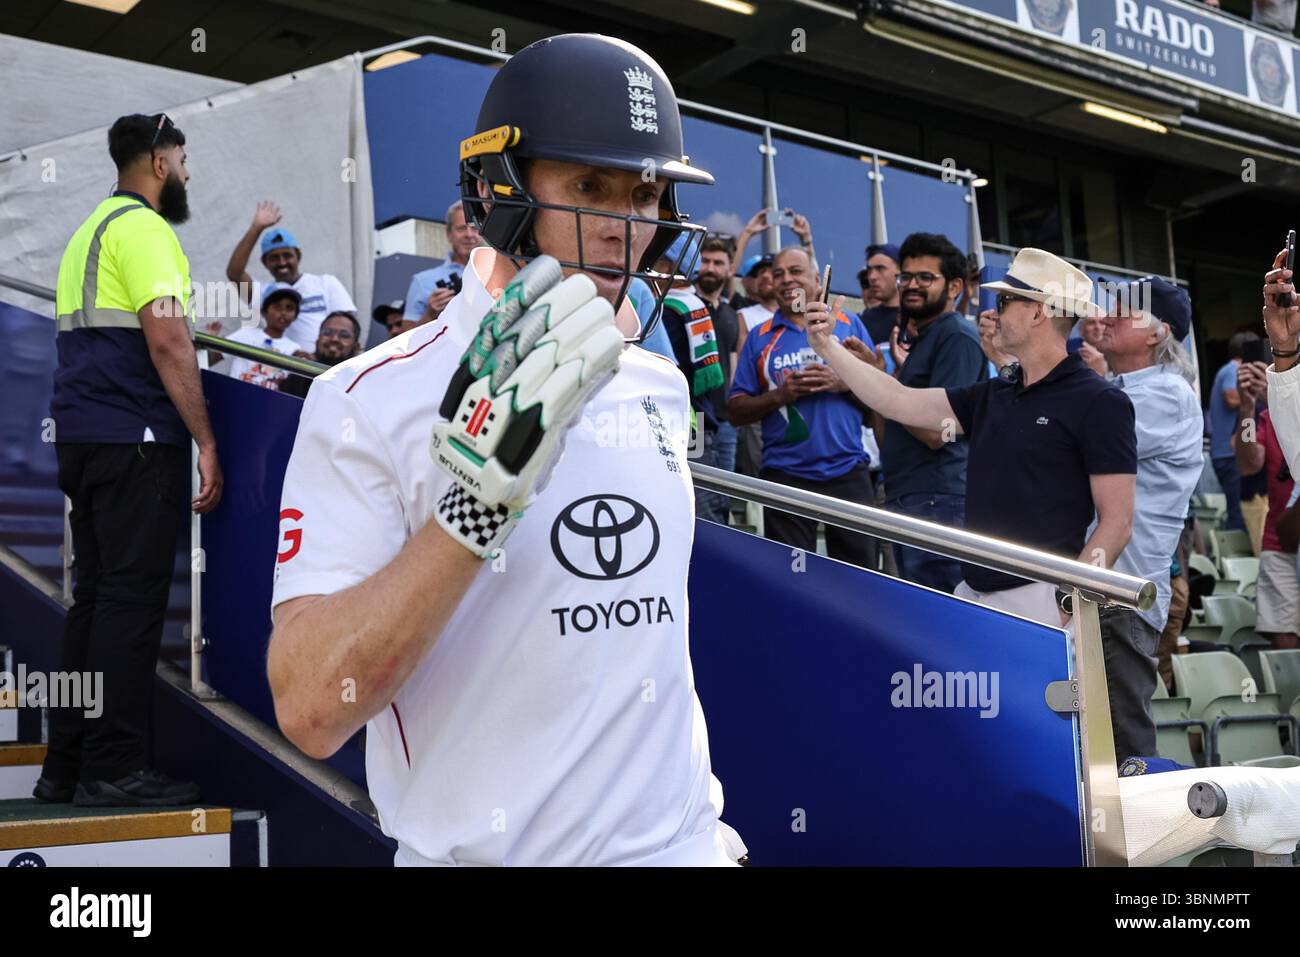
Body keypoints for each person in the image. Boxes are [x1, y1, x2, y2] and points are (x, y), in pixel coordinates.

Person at [266, 33, 742, 867]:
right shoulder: (367, 397)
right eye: (590, 185)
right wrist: (468, 512)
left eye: (645, 193)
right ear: (499, 192)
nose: (625, 229)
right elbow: (310, 706)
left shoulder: (656, 385)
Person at [37, 112, 223, 808]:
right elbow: (170, 340)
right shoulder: (146, 230)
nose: (187, 170)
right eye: (182, 156)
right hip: (136, 437)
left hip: (84, 438)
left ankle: (66, 763)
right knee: (128, 603)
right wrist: (205, 438)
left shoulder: (88, 230)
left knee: (91, 600)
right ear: (156, 160)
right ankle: (113, 766)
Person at [805, 247, 1136, 630]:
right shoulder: (995, 393)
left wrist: (1069, 600)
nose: (992, 310)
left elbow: (1117, 522)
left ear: (1039, 311)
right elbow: (897, 401)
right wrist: (826, 346)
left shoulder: (1099, 401)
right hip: (975, 593)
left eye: (1007, 299)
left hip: (1041, 599)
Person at [1093, 277, 1203, 760]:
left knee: (1122, 746)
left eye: (1126, 311)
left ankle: (1141, 836)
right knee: (1099, 740)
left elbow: (1078, 441)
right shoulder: (1119, 389)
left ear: (1160, 333)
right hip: (1101, 585)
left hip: (1121, 592)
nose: (1109, 316)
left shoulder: (1165, 394)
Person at [727, 246, 880, 568]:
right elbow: (736, 411)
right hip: (786, 475)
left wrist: (844, 382)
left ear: (815, 278)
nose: (785, 279)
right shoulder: (760, 336)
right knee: (792, 580)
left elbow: (880, 399)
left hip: (848, 471)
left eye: (795, 271)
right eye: (778, 273)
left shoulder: (849, 324)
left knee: (861, 579)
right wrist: (780, 396)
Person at [879, 233, 988, 594]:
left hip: (937, 500)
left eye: (925, 278)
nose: (912, 286)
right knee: (920, 615)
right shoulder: (929, 337)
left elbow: (937, 430)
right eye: (906, 277)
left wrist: (881, 386)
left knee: (939, 619)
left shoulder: (957, 335)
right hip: (912, 494)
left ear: (955, 286)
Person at [225, 201, 357, 352]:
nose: (282, 262)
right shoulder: (264, 292)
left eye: (287, 255)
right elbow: (234, 273)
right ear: (265, 262)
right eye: (274, 258)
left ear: (298, 256)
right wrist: (256, 228)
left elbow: (348, 325)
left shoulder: (326, 283)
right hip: (284, 369)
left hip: (325, 365)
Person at [1235, 360, 1299, 650]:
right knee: (1283, 630)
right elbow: (1249, 465)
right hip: (1280, 540)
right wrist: (1247, 407)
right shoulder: (1266, 414)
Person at [693, 235, 741, 478]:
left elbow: (732, 365)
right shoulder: (685, 306)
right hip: (695, 420)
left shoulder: (731, 314)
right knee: (698, 491)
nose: (710, 268)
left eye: (718, 262)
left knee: (725, 495)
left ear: (730, 269)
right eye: (705, 261)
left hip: (726, 422)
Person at [206, 283, 303, 389]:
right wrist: (209, 343)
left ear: (295, 315)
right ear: (264, 312)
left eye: (289, 308)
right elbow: (210, 360)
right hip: (236, 395)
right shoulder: (245, 335)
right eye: (277, 306)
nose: (283, 312)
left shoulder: (294, 349)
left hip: (269, 402)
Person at [401, 201, 482, 327]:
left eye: (474, 228)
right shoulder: (422, 281)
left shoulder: (499, 274)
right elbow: (406, 337)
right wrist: (430, 314)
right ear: (449, 235)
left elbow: (505, 314)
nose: (469, 235)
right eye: (461, 228)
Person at [1209, 332, 1255, 532]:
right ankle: (1238, 558)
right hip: (1229, 454)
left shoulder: (1227, 370)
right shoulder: (1234, 370)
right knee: (1238, 511)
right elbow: (1231, 397)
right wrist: (1256, 399)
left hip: (1224, 453)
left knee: (1237, 508)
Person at [277, 311, 363, 399]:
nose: (334, 339)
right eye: (327, 332)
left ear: (356, 346)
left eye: (344, 335)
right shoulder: (299, 374)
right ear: (317, 341)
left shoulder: (362, 383)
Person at [858, 242, 901, 349]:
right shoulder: (863, 321)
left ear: (900, 270)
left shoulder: (917, 318)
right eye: (869, 270)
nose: (872, 277)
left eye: (880, 268)